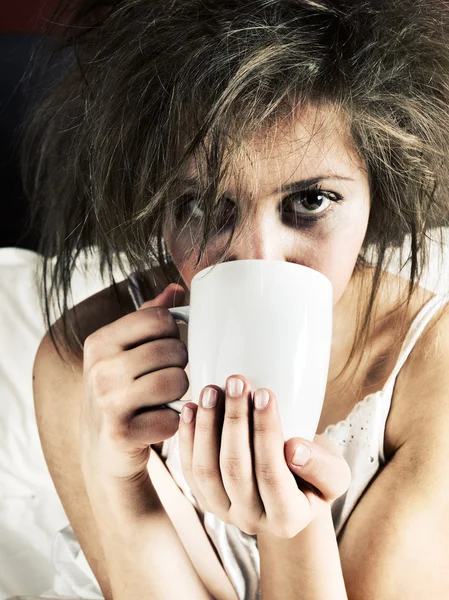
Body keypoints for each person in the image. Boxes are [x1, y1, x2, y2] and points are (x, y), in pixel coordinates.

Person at [26, 0, 449, 598]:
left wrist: (293, 532)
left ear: (377, 191)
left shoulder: (434, 368)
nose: (258, 258)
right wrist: (118, 480)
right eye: (201, 207)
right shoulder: (84, 366)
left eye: (311, 201)